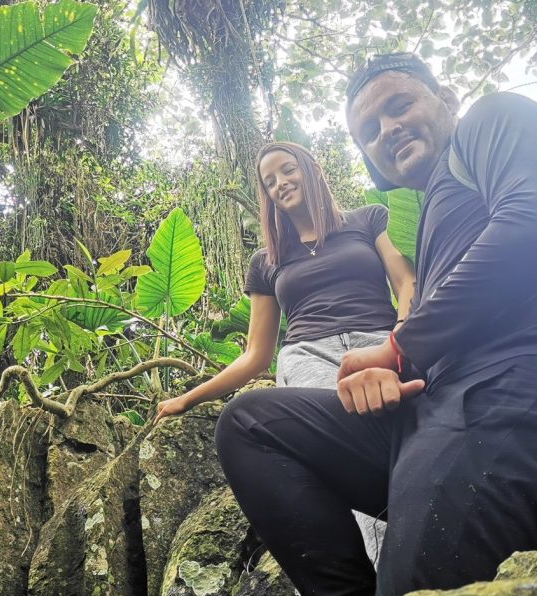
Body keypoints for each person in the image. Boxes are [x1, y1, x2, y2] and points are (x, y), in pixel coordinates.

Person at [214, 52, 537, 596]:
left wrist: (398, 345)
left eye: (400, 106)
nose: (387, 130)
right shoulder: (438, 210)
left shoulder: (491, 120)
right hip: (436, 402)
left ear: (448, 101)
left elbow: (531, 224)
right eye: (369, 130)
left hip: (515, 386)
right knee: (250, 423)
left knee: (413, 582)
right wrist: (399, 369)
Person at [155, 141, 414, 424]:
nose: (281, 183)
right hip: (308, 354)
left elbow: (406, 283)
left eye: (288, 170)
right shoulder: (265, 261)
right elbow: (256, 356)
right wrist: (188, 398)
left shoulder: (369, 219)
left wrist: (398, 342)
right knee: (339, 419)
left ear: (313, 171)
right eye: (270, 182)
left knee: (410, 408)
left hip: (381, 339)